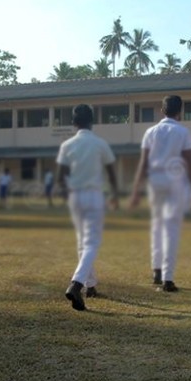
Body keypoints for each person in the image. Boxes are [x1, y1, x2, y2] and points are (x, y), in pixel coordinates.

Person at [130, 95, 191, 292]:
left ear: (162, 110)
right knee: (172, 229)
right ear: (180, 111)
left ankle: (156, 270)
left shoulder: (151, 132)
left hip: (155, 181)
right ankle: (168, 277)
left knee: (157, 226)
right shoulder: (183, 132)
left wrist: (136, 190)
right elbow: (189, 162)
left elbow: (143, 162)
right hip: (174, 181)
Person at [57, 104, 119, 311]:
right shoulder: (99, 143)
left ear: (73, 123)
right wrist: (115, 195)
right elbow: (111, 171)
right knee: (91, 243)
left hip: (75, 196)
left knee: (82, 243)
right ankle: (76, 284)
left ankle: (90, 286)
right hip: (93, 195)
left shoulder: (67, 145)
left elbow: (60, 177)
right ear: (92, 122)